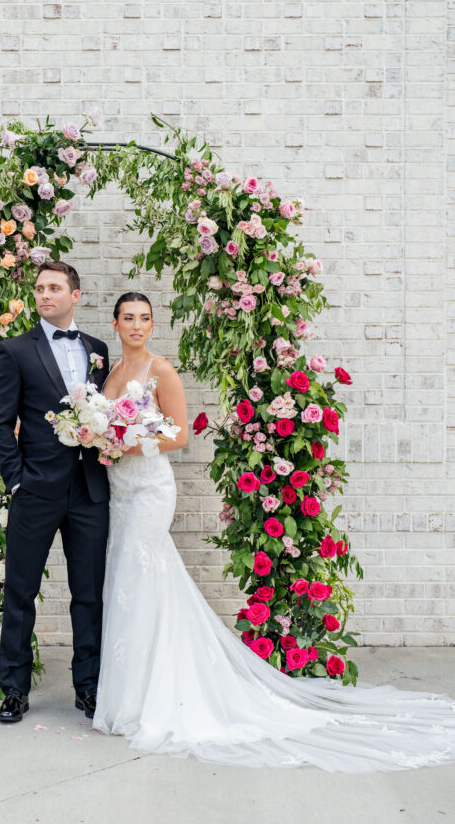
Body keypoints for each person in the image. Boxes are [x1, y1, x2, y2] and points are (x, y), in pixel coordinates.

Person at [93, 291, 455, 772]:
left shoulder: (162, 372)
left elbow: (179, 434)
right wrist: (102, 441)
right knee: (126, 583)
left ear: (152, 326)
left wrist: (128, 442)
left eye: (144, 318)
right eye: (127, 319)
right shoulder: (112, 374)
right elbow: (104, 426)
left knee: (142, 577)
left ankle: (153, 699)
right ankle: (127, 696)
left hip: (151, 489)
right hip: (121, 490)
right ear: (115, 325)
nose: (136, 326)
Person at [0, 261, 110, 724]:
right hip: (35, 490)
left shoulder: (97, 350)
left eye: (54, 287)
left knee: (88, 594)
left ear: (75, 295)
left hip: (89, 492)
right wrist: (16, 479)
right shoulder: (15, 350)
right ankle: (15, 689)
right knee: (20, 591)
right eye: (39, 288)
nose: (44, 295)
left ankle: (89, 687)